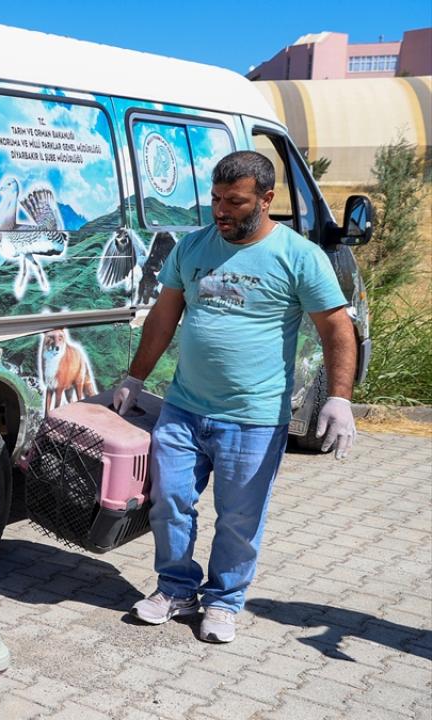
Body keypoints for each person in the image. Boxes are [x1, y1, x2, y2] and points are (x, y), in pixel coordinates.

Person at [112, 150, 356, 644]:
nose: (221, 211)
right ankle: (176, 589)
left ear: (266, 199)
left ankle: (224, 601)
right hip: (184, 407)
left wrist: (340, 398)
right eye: (216, 199)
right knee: (169, 503)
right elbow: (163, 317)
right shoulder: (193, 246)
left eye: (235, 202)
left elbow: (337, 328)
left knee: (240, 519)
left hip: (254, 418)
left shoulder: (299, 256)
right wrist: (134, 378)